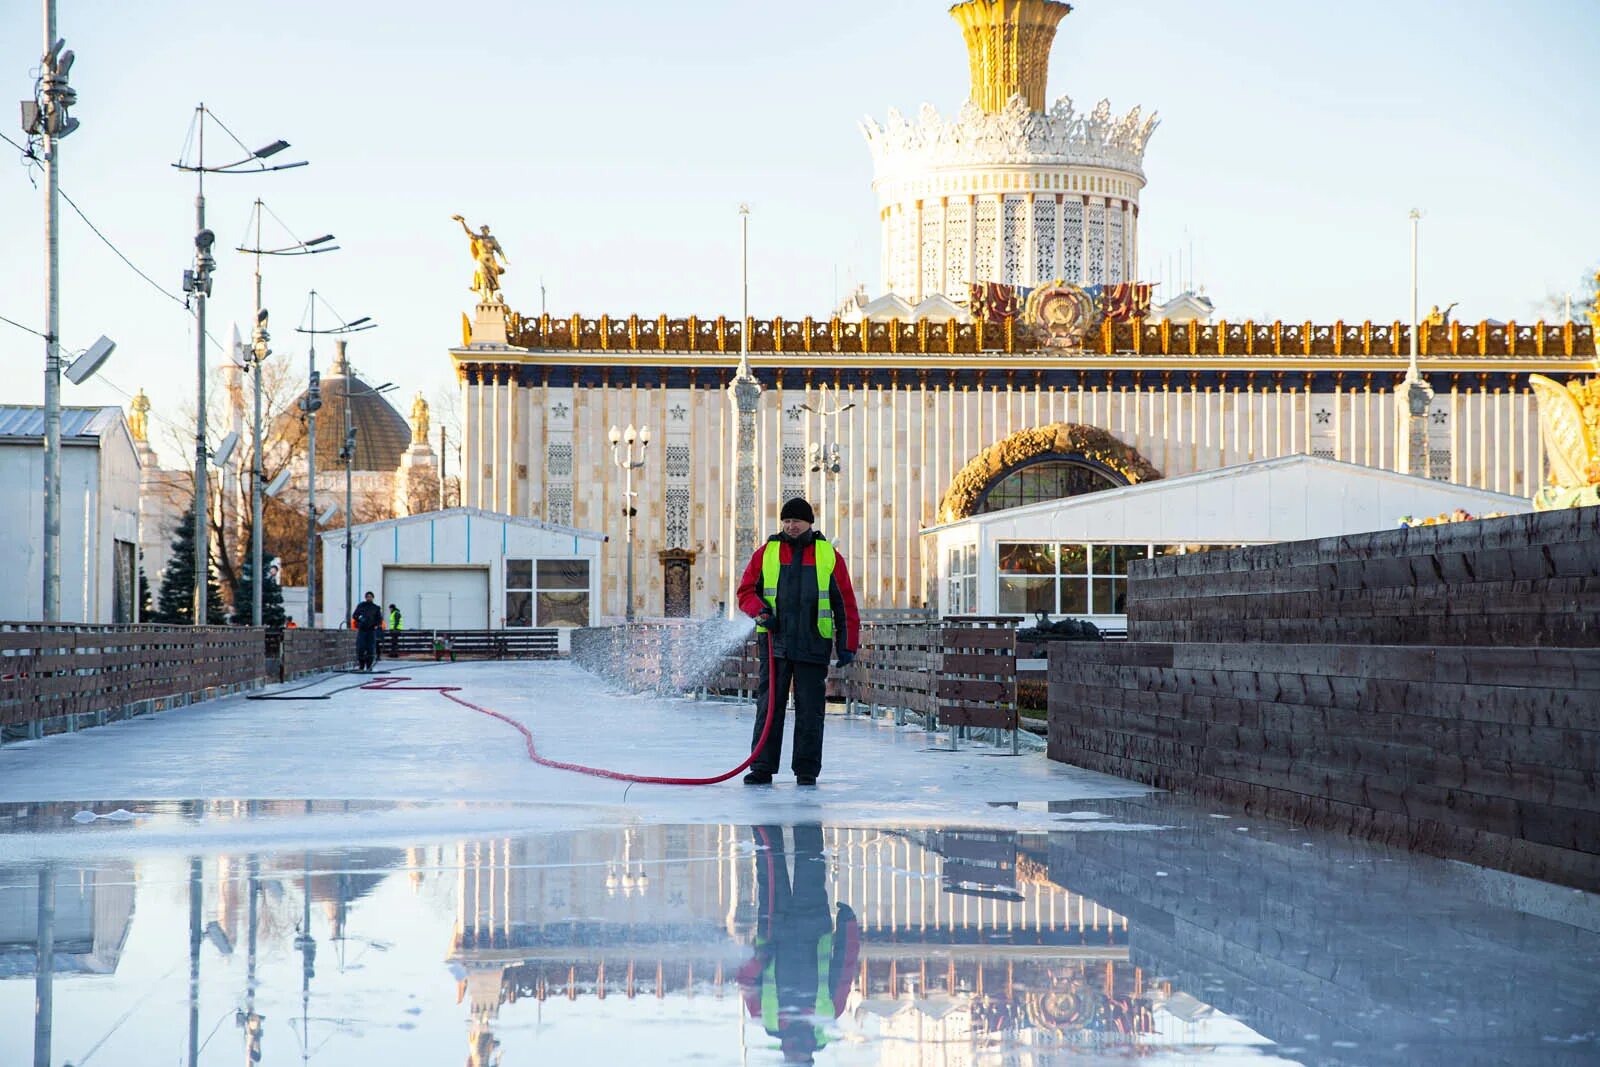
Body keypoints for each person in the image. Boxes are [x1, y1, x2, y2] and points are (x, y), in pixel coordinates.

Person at [735, 497, 860, 785]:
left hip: (814, 643)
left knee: (810, 710)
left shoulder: (827, 555)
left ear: (809, 523)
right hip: (774, 644)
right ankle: (762, 767)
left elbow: (846, 604)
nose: (791, 526)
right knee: (768, 707)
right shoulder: (767, 553)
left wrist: (848, 642)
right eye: (787, 521)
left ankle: (806, 770)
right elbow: (745, 593)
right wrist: (761, 612)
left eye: (797, 521)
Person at [738, 824, 859, 1064]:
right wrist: (849, 926)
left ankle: (764, 816)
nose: (795, 1053)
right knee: (811, 860)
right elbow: (845, 965)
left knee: (769, 861)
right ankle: (807, 812)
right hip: (813, 922)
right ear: (809, 1059)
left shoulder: (767, 1019)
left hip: (775, 926)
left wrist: (760, 959)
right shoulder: (828, 1014)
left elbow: (746, 980)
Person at [351, 591, 384, 672]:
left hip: (371, 630)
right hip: (362, 630)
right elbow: (355, 615)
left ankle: (369, 665)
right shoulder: (361, 606)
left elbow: (379, 619)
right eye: (367, 596)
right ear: (365, 597)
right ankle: (361, 665)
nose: (369, 598)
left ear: (373, 597)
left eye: (370, 596)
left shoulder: (376, 608)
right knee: (360, 648)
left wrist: (376, 625)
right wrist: (360, 619)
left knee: (370, 648)